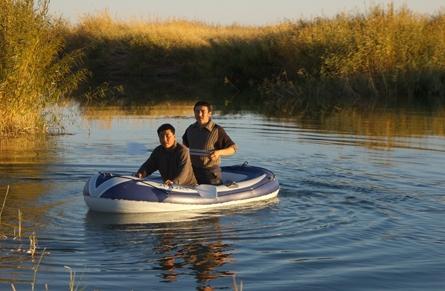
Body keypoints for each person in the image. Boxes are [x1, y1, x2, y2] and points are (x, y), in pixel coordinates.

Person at [182, 101, 237, 185]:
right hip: (192, 171)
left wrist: (219, 152)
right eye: (197, 111)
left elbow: (233, 149)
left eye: (203, 111)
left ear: (209, 113)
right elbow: (184, 147)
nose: (199, 114)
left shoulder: (217, 130)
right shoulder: (190, 129)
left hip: (210, 173)